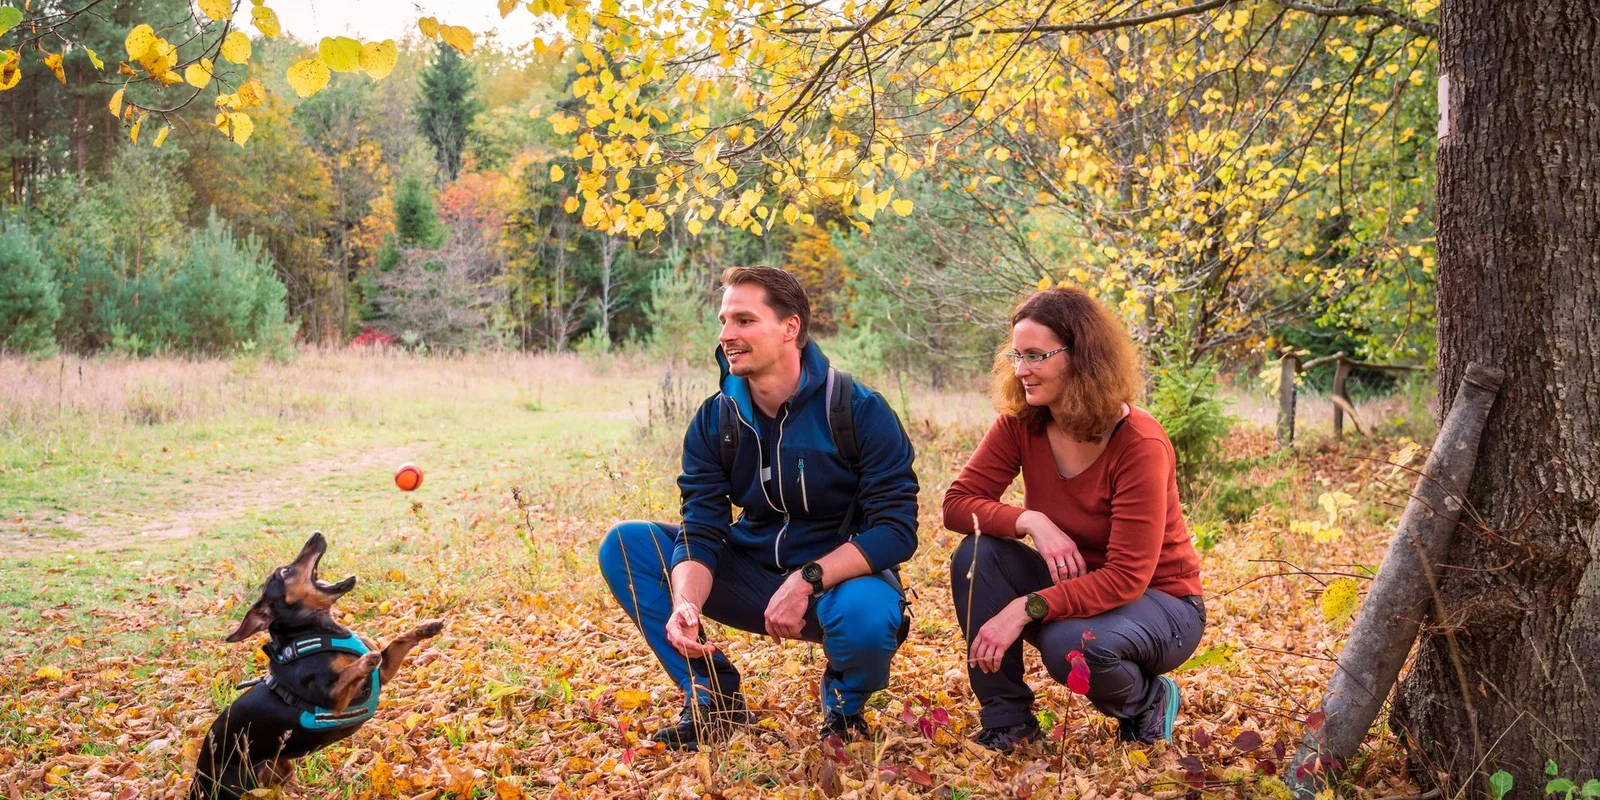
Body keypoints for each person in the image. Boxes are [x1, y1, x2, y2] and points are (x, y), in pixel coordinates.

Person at [598, 266, 920, 750]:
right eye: (724, 321)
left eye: (744, 320)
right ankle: (712, 697)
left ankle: (844, 708)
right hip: (751, 574)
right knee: (627, 544)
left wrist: (807, 577)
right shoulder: (716, 418)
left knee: (869, 614)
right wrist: (685, 601)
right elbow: (701, 526)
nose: (727, 335)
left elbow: (896, 530)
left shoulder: (856, 409)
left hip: (836, 587)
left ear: (790, 327)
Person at [943, 286, 1205, 752]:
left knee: (1072, 643)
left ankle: (1145, 701)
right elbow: (958, 503)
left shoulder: (1139, 444)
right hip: (1077, 583)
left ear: (1081, 357)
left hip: (1160, 603)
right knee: (976, 554)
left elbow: (1126, 577)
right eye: (1016, 355)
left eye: (1036, 355)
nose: (1021, 370)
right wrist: (1031, 520)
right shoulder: (1022, 422)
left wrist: (1025, 607)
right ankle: (1009, 723)